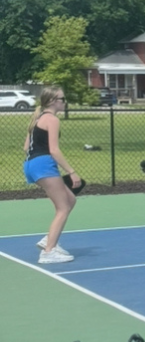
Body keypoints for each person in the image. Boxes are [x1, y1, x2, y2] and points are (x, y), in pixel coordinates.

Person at [23, 87, 81, 264]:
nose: (64, 102)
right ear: (52, 101)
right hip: (43, 165)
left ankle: (49, 240)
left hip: (31, 164)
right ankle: (48, 252)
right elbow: (54, 150)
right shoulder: (52, 120)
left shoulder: (37, 118)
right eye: (62, 99)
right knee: (63, 208)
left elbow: (26, 147)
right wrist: (72, 172)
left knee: (70, 199)